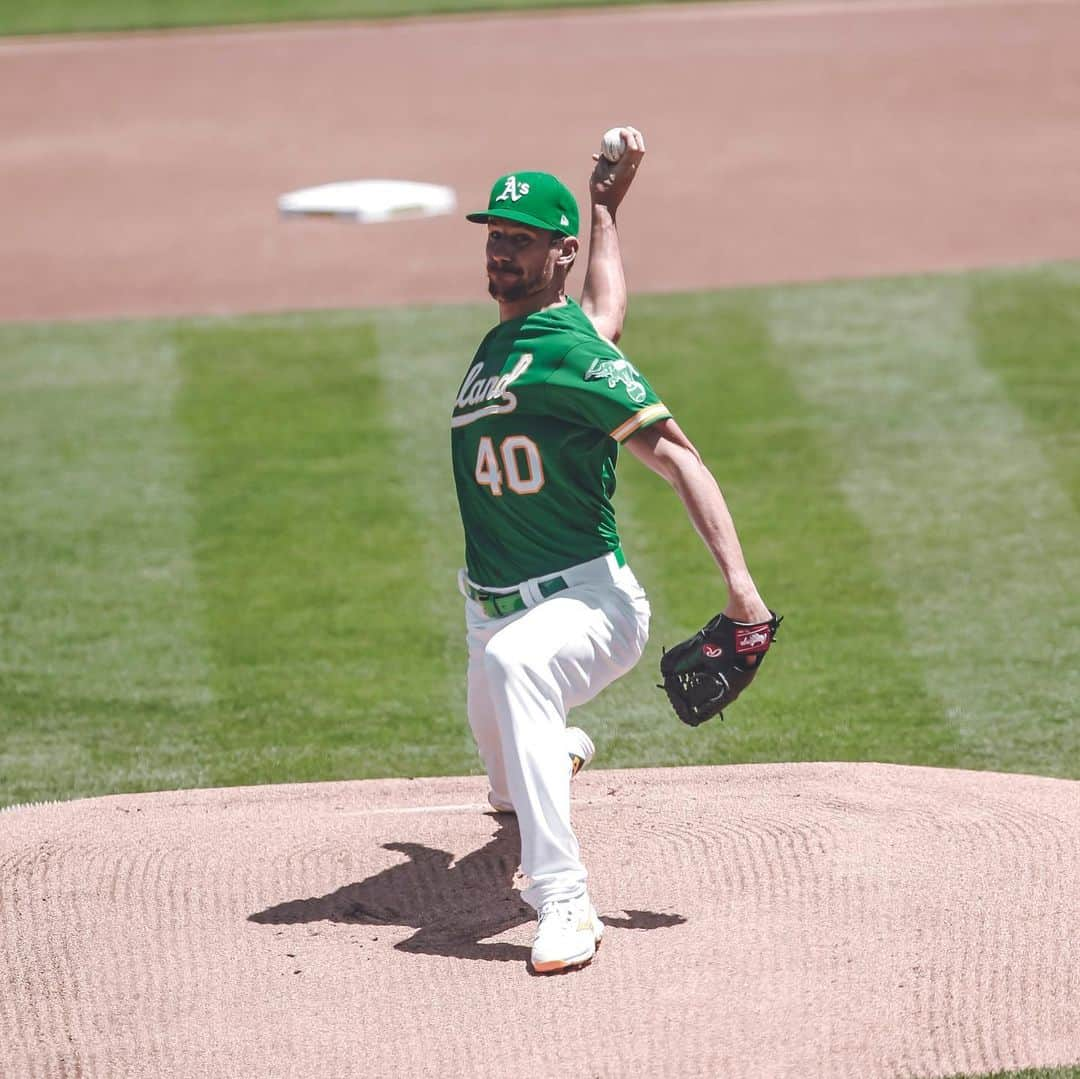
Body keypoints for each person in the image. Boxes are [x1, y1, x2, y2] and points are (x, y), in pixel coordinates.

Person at [451, 130, 771, 974]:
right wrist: (603, 209)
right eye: (495, 235)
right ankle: (548, 754)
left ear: (557, 254)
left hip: (584, 604)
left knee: (523, 666)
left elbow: (679, 456)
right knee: (509, 784)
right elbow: (606, 316)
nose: (501, 252)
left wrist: (743, 592)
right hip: (487, 610)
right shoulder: (521, 340)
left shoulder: (568, 351)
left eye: (520, 239)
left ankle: (564, 900)